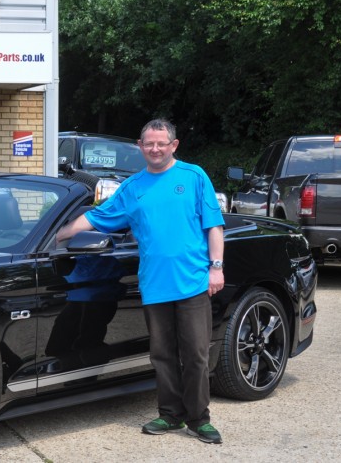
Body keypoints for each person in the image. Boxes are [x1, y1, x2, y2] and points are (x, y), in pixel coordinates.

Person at [57, 118, 225, 444]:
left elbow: (213, 226)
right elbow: (95, 216)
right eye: (149, 143)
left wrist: (216, 267)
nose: (155, 149)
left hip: (191, 283)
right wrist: (61, 234)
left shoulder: (193, 177)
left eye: (162, 143)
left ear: (173, 145)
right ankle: (169, 415)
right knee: (162, 355)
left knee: (195, 354)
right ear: (140, 145)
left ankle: (199, 419)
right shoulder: (132, 188)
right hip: (154, 285)